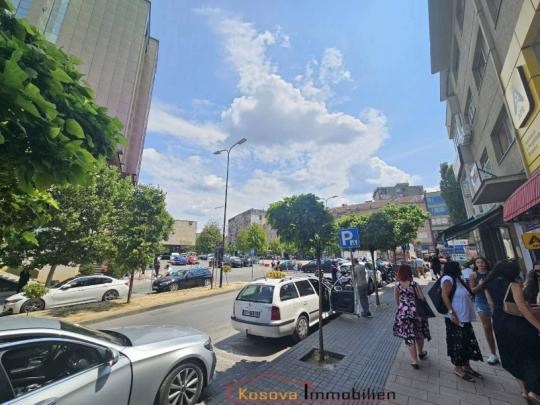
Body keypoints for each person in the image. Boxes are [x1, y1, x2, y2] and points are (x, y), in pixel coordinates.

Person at [483, 260, 540, 403]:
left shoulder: (488, 284)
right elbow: (522, 308)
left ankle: (523, 391)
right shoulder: (513, 285)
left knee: (511, 355)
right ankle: (534, 391)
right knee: (531, 355)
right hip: (516, 323)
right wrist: (538, 326)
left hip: (499, 322)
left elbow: (491, 304)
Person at [441, 261, 483, 382]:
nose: (460, 268)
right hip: (455, 318)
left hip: (464, 317)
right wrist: (452, 313)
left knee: (467, 341)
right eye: (457, 267)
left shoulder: (458, 278)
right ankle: (458, 368)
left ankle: (467, 366)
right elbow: (444, 296)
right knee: (458, 342)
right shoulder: (448, 279)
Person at [393, 264, 431, 369]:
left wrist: (402, 307)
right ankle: (421, 352)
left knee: (409, 335)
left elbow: (396, 299)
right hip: (417, 312)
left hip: (404, 312)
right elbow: (422, 298)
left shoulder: (397, 285)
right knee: (419, 333)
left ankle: (414, 361)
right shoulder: (414, 284)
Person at [469, 257, 499, 365]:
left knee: (499, 327)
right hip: (481, 301)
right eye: (478, 262)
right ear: (475, 264)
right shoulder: (473, 275)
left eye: (482, 262)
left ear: (486, 263)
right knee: (487, 327)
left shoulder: (492, 273)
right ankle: (493, 353)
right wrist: (480, 285)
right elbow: (472, 290)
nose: (480, 264)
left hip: (495, 301)